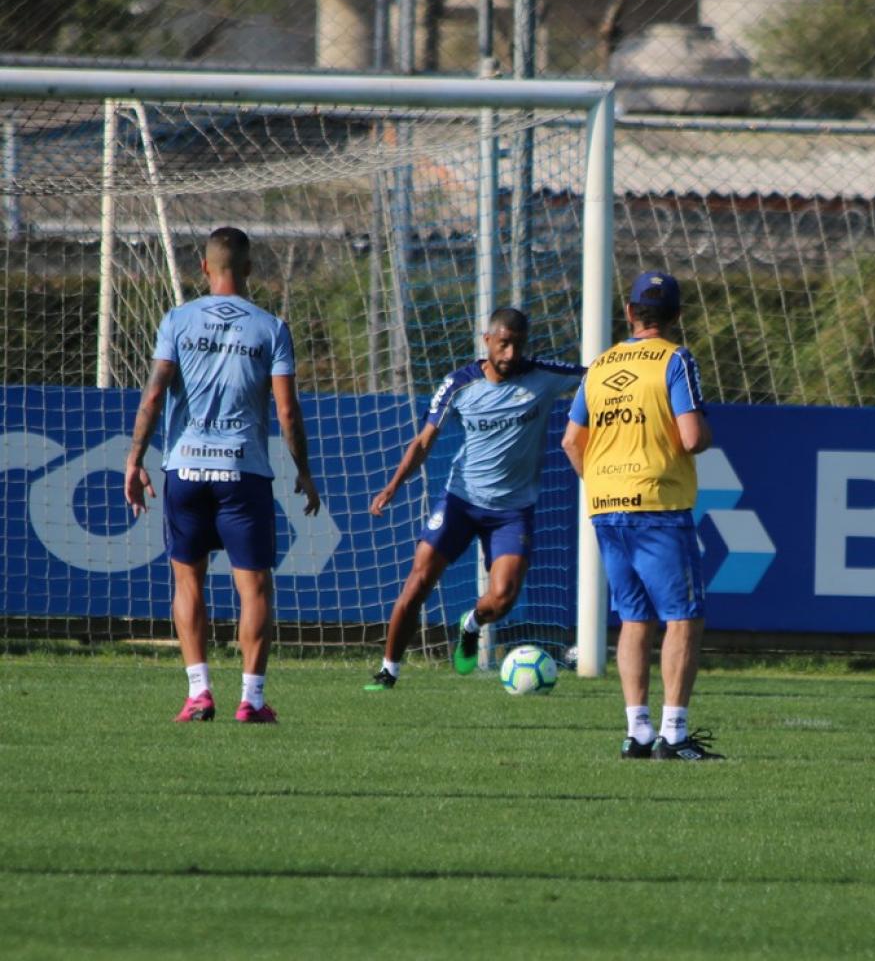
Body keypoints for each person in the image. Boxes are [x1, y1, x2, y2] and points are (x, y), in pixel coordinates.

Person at [124, 226, 320, 724]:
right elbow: (287, 412)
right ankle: (251, 700)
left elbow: (152, 395)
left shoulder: (177, 320)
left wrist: (134, 459)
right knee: (253, 588)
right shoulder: (270, 328)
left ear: (205, 268)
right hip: (242, 472)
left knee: (188, 581)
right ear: (250, 269)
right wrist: (303, 470)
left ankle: (198, 693)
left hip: (184, 469)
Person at [365, 308, 584, 690]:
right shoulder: (459, 384)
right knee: (418, 583)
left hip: (512, 511)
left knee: (502, 598)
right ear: (487, 340)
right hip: (460, 502)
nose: (511, 354)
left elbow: (598, 375)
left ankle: (471, 624)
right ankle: (388, 670)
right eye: (503, 344)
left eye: (517, 344)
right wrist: (392, 486)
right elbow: (423, 441)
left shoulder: (544, 377)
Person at [561, 271, 721, 761]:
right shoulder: (676, 359)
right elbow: (692, 437)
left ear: (629, 313)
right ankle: (673, 735)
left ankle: (638, 733)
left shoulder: (602, 365)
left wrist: (605, 480)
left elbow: (571, 440)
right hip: (657, 503)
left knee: (634, 618)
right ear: (676, 317)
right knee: (683, 618)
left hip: (607, 507)